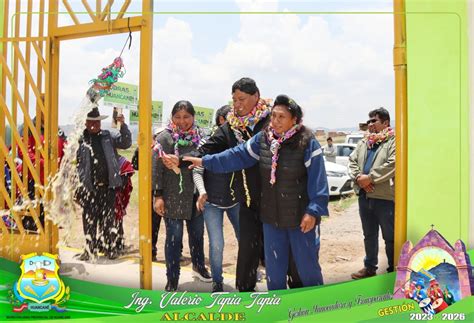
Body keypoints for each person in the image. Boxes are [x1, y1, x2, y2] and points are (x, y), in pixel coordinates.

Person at [185, 95, 329, 290]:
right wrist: (204, 161)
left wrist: (313, 211)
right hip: (271, 219)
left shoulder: (308, 143)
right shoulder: (262, 140)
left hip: (300, 220)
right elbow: (235, 156)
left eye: (282, 117)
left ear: (294, 119)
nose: (275, 121)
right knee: (275, 272)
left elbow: (318, 181)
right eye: (274, 116)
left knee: (307, 270)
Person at [197, 78, 271, 292]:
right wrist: (185, 159)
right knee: (247, 250)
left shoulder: (271, 122)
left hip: (274, 201)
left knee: (276, 253)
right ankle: (245, 295)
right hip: (246, 201)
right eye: (234, 99)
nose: (237, 104)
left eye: (242, 99)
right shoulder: (230, 127)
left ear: (256, 96)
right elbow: (208, 147)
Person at [152, 100, 211, 291]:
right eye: (177, 117)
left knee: (197, 235)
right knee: (173, 238)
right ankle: (172, 278)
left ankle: (199, 267)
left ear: (193, 117)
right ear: (172, 118)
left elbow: (204, 157)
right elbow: (156, 169)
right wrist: (158, 195)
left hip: (195, 195)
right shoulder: (165, 138)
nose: (182, 121)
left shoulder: (202, 137)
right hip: (173, 196)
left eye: (186, 117)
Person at [192, 104, 240, 292]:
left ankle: (245, 277)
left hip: (235, 201)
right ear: (221, 121)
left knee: (244, 239)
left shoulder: (239, 141)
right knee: (217, 244)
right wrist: (202, 191)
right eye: (231, 119)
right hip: (212, 202)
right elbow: (197, 170)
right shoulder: (209, 142)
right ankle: (217, 283)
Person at [75, 107, 132, 261]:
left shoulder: (109, 136)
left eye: (97, 122)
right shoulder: (80, 140)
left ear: (100, 122)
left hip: (108, 187)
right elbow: (76, 165)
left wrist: (123, 125)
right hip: (89, 188)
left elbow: (126, 142)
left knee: (109, 220)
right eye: (91, 122)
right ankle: (89, 250)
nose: (94, 124)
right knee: (89, 220)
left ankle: (110, 248)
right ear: (86, 123)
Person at [348, 107, 395, 279]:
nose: (370, 124)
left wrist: (370, 178)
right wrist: (359, 178)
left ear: (385, 123)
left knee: (390, 237)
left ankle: (394, 270)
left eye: (374, 121)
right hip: (364, 196)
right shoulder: (364, 142)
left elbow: (392, 164)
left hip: (384, 198)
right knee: (369, 235)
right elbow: (352, 161)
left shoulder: (393, 141)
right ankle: (369, 268)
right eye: (368, 121)